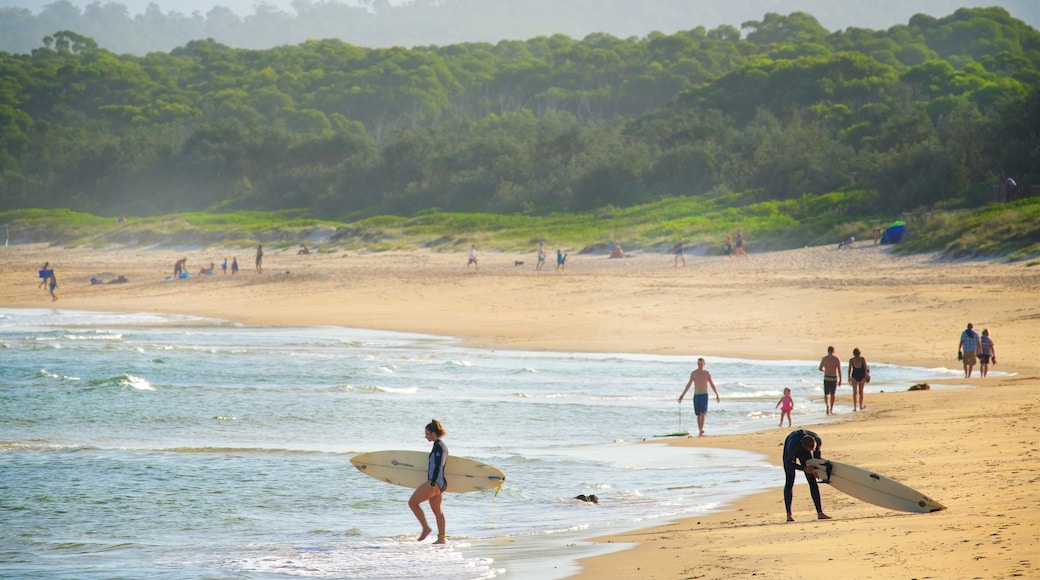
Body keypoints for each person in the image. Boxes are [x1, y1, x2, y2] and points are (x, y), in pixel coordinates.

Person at [409, 419, 448, 544]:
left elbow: (438, 466)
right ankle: (442, 538)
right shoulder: (439, 445)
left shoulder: (439, 447)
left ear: (433, 433)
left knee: (412, 503)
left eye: (427, 433)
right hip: (440, 483)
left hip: (435, 483)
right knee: (438, 511)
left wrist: (432, 484)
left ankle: (426, 528)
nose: (425, 436)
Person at [782, 429, 830, 522]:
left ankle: (820, 513)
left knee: (812, 480)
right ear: (804, 446)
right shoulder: (793, 443)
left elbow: (817, 457)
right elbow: (788, 462)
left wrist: (816, 469)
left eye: (813, 449)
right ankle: (788, 514)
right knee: (790, 480)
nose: (813, 451)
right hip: (791, 450)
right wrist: (803, 468)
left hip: (804, 450)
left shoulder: (817, 439)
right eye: (810, 450)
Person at [677, 357, 720, 436]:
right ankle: (700, 429)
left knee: (703, 413)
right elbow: (689, 384)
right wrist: (682, 395)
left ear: (704, 364)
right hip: (696, 395)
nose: (700, 365)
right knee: (698, 414)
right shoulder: (694, 373)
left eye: (701, 364)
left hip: (704, 395)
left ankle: (702, 429)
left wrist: (717, 394)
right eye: (698, 364)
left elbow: (712, 384)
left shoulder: (707, 373)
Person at [819, 346, 841, 415]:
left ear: (828, 351)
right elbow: (839, 370)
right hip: (834, 377)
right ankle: (831, 408)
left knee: (826, 393)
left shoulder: (824, 358)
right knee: (832, 394)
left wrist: (825, 370)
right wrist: (840, 379)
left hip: (827, 377)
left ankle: (827, 406)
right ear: (833, 351)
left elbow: (820, 368)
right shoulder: (836, 359)